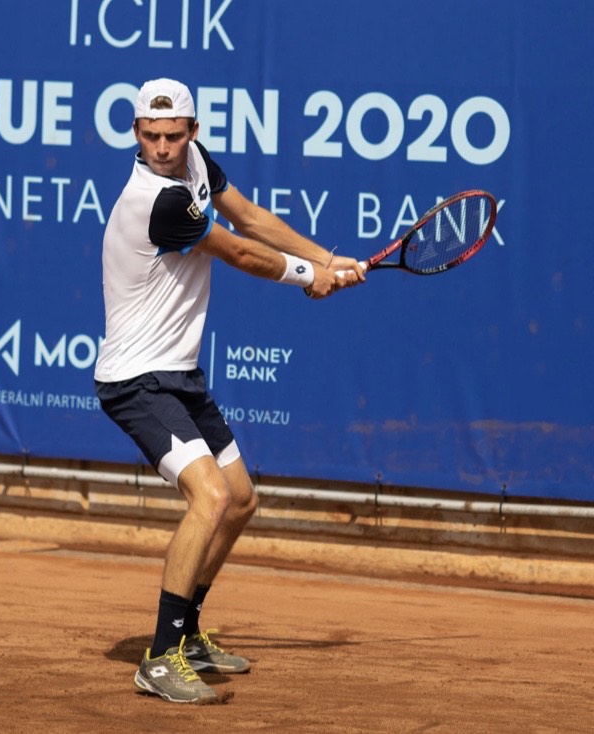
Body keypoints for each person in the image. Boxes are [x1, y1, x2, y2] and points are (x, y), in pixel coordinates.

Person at [93, 78, 363, 704]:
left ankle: (184, 636)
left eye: (173, 135)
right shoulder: (157, 199)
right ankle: (159, 660)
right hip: (135, 380)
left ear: (192, 130)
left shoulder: (194, 164)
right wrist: (310, 277)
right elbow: (241, 251)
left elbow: (252, 217)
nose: (162, 147)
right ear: (136, 133)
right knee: (208, 498)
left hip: (179, 373)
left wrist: (332, 260)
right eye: (150, 136)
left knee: (239, 501)